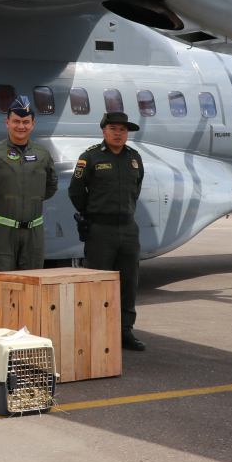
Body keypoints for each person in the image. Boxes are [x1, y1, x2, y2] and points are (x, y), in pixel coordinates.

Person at [68, 111, 147, 351]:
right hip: (100, 230)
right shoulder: (90, 157)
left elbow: (136, 189)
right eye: (113, 128)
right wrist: (92, 214)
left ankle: (125, 332)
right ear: (104, 130)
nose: (118, 133)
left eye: (123, 129)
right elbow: (76, 191)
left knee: (129, 282)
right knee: (98, 282)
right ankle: (97, 332)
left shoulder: (134, 158)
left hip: (128, 229)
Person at [0, 96, 58, 275]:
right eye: (16, 121)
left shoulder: (43, 154)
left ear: (33, 124)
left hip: (34, 233)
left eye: (26, 122)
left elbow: (51, 186)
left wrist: (33, 199)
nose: (21, 126)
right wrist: (0, 201)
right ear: (7, 123)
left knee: (33, 281)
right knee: (1, 282)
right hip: (3, 231)